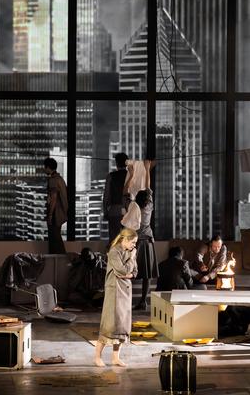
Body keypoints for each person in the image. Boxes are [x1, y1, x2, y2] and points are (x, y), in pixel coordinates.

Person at [94, 228, 138, 367]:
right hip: (114, 290)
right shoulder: (114, 252)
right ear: (125, 239)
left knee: (122, 325)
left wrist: (128, 274)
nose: (134, 245)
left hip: (126, 290)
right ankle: (97, 357)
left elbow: (134, 271)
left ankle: (115, 358)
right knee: (110, 324)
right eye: (133, 242)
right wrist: (130, 263)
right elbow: (122, 270)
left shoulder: (131, 252)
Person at [123, 160, 157, 310]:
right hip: (148, 242)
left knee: (129, 271)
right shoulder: (149, 206)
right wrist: (147, 169)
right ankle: (143, 301)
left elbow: (125, 192)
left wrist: (131, 175)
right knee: (146, 274)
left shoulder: (132, 206)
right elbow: (148, 188)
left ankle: (127, 299)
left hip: (134, 243)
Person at [43, 157, 68, 254]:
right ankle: (59, 258)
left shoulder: (53, 180)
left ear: (48, 167)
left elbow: (53, 198)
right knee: (56, 237)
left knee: (54, 239)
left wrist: (50, 214)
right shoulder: (60, 179)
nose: (44, 169)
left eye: (45, 167)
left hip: (55, 213)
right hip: (61, 213)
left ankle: (60, 258)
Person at [103, 152, 129, 242]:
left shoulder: (110, 176)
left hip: (114, 210)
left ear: (116, 163)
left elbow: (106, 196)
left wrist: (106, 212)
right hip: (128, 211)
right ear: (126, 163)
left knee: (114, 240)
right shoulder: (130, 176)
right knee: (127, 240)